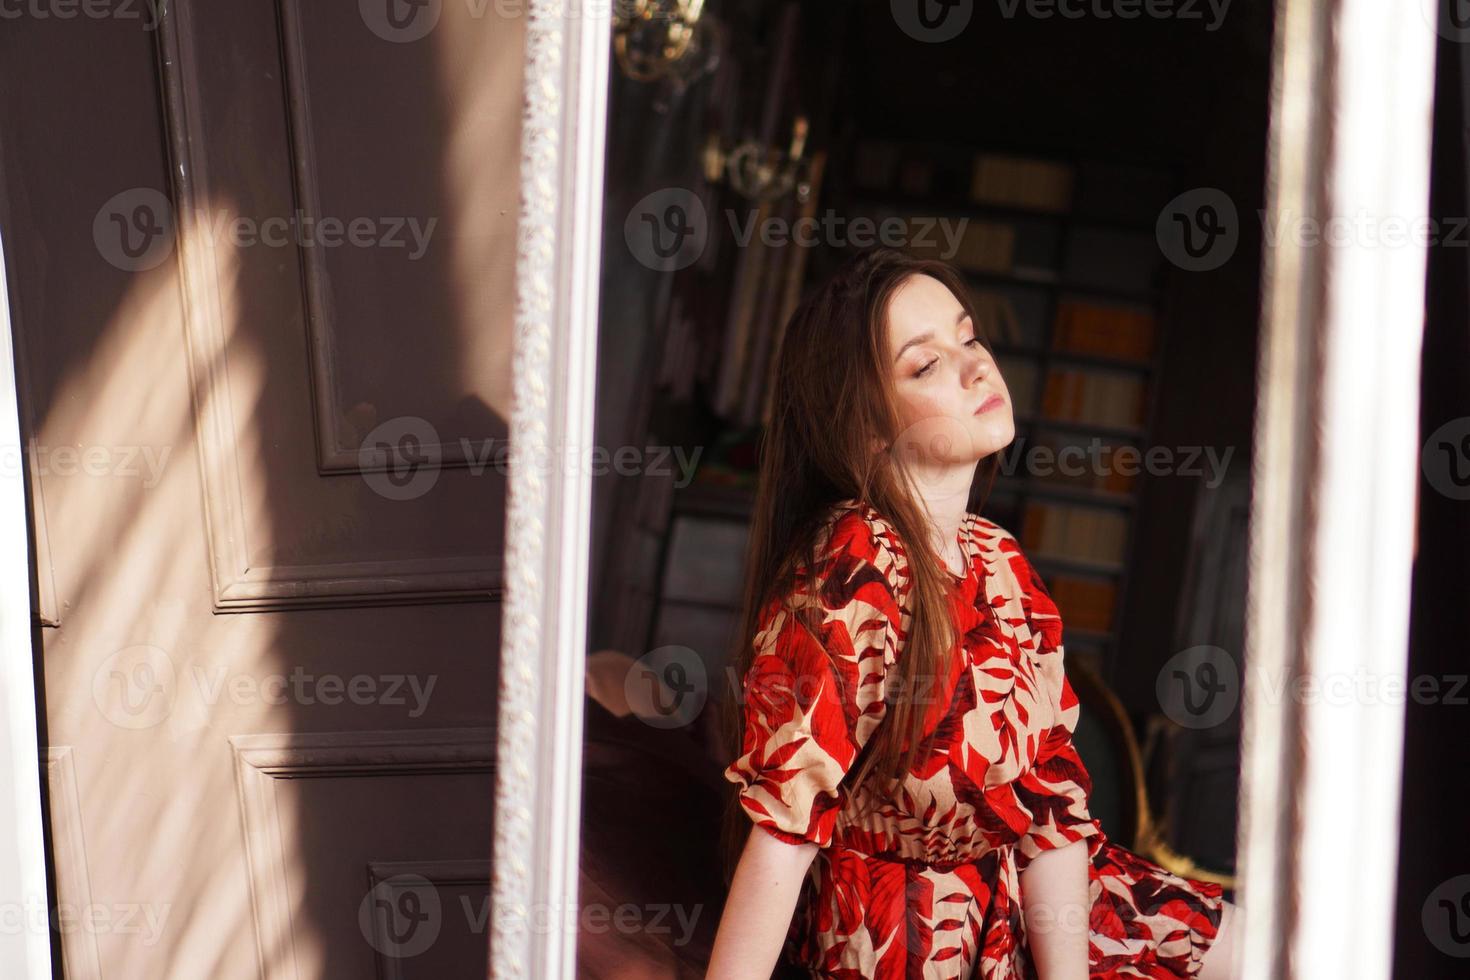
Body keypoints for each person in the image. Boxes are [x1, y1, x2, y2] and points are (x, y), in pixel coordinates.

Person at [704, 247, 1239, 979]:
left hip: (1029, 902)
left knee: (1284, 950)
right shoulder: (853, 564)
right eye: (925, 366)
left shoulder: (998, 558)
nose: (977, 367)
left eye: (969, 337)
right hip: (911, 936)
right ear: (865, 431)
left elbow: (1049, 810)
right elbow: (783, 830)